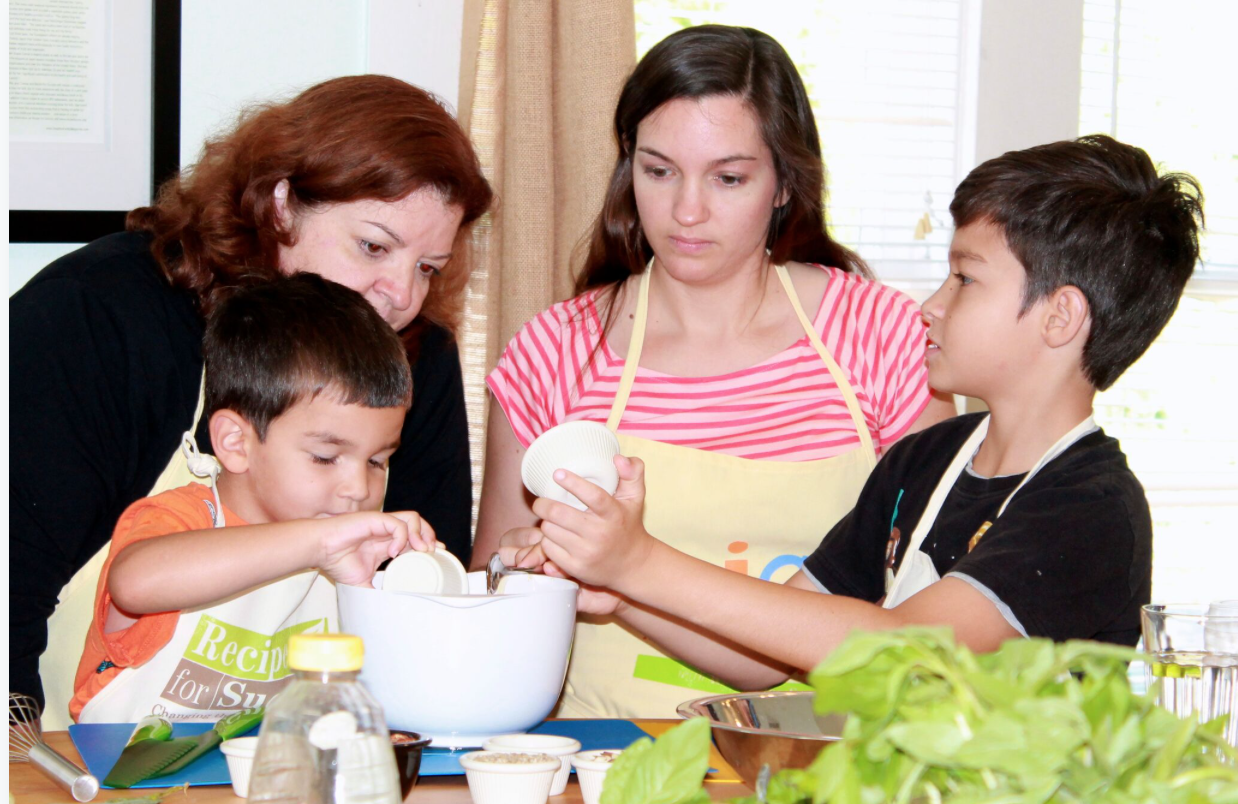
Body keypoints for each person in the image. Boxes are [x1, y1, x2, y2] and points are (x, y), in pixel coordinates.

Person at [520, 135, 1203, 680]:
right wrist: (627, 594)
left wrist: (640, 561)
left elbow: (901, 649)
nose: (932, 305)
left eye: (965, 278)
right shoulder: (925, 459)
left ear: (1060, 317)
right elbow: (772, 654)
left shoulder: (1088, 507)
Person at [472, 25, 955, 718]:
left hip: (829, 760)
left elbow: (929, 602)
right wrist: (521, 571)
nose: (686, 211)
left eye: (728, 178)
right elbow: (490, 594)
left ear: (786, 182)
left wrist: (623, 571)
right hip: (603, 763)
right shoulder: (556, 350)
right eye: (658, 170)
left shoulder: (884, 338)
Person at [10, 75, 492, 715]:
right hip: (69, 755)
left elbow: (418, 601)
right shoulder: (98, 315)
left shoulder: (411, 355)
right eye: (374, 246)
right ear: (281, 205)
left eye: (427, 267)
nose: (401, 296)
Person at [71, 274, 439, 723]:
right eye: (326, 457)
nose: (359, 489)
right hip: (127, 781)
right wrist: (317, 543)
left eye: (378, 461)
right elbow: (133, 584)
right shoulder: (180, 520)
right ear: (235, 442)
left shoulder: (348, 549)